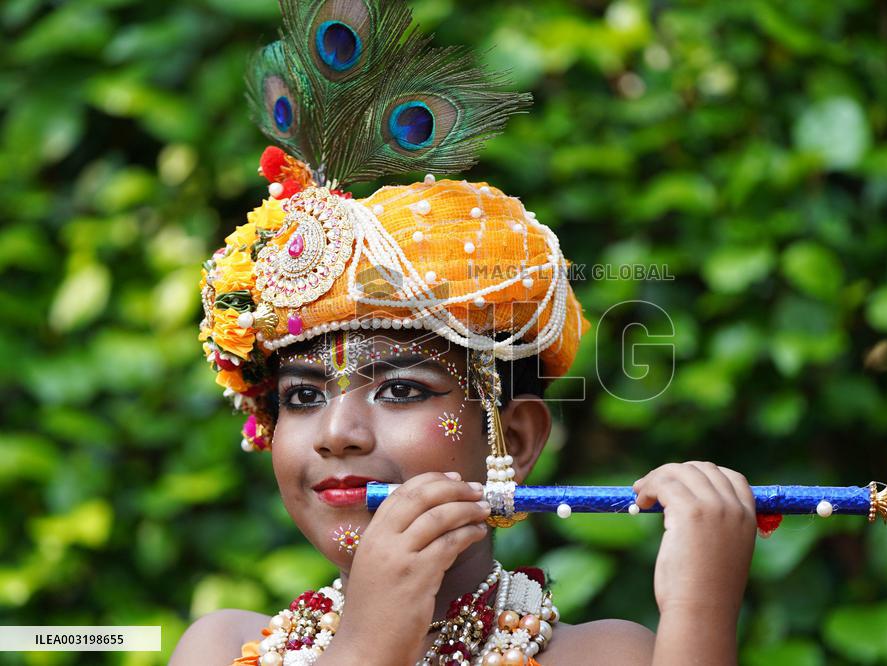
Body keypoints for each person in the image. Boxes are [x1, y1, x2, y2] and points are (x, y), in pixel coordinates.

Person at [169, 2, 758, 664]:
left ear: (518, 437)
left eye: (397, 390)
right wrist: (367, 644)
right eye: (303, 397)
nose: (337, 433)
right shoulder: (220, 648)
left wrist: (698, 611)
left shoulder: (606, 655)